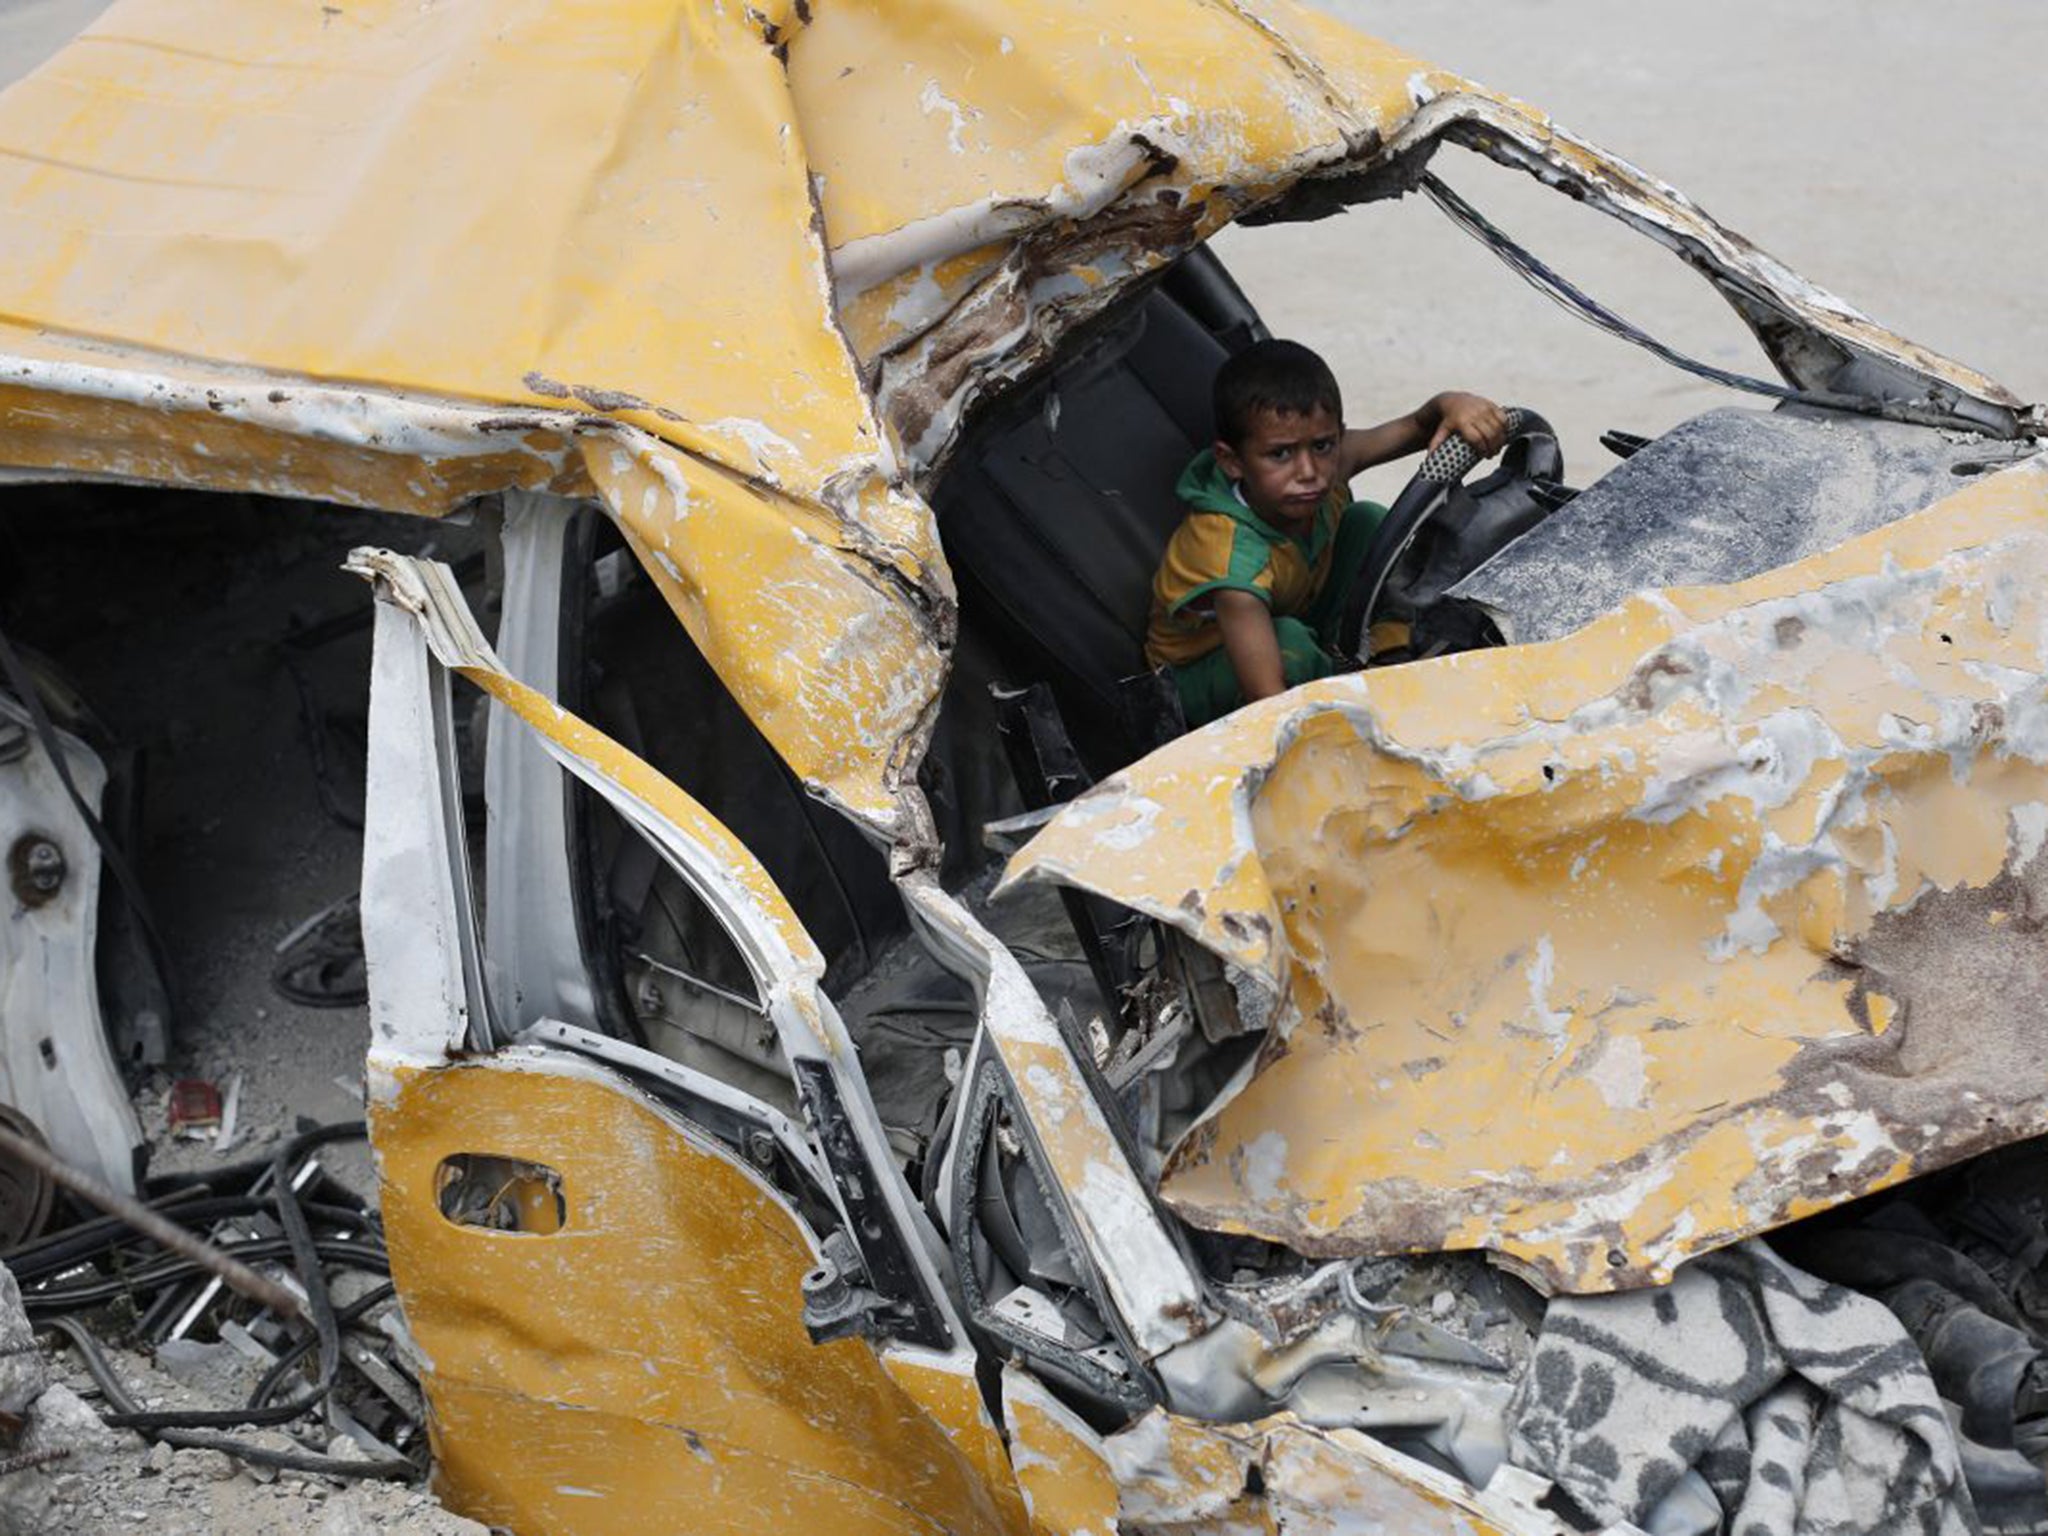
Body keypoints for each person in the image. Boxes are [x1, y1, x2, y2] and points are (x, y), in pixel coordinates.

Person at [1144, 339, 1508, 726]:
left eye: (1322, 445)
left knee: (1367, 521)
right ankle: (1349, 694)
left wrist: (1450, 404)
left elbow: (1418, 426)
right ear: (1231, 462)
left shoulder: (1327, 467)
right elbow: (1266, 699)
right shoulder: (1229, 556)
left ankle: (1389, 654)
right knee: (1291, 644)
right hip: (1198, 681)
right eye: (1280, 454)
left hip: (1294, 609)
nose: (1308, 471)